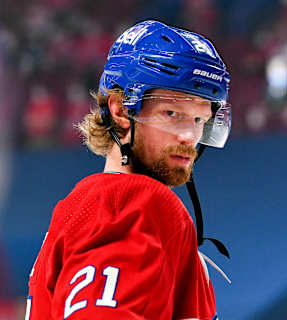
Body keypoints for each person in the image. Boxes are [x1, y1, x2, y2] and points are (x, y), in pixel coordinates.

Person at [25, 20, 232, 320]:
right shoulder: (130, 203)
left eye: (199, 120)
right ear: (121, 110)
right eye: (172, 113)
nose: (189, 135)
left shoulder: (84, 207)